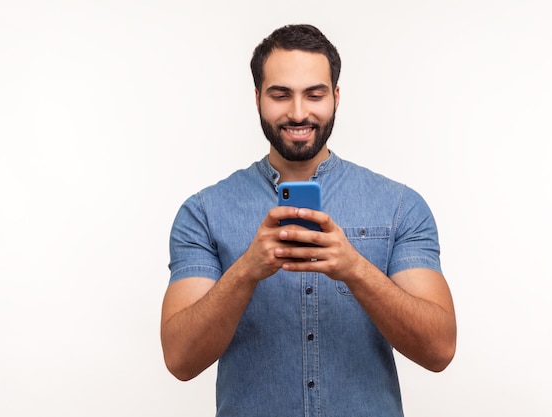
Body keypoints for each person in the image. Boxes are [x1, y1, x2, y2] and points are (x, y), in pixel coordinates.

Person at [161, 24, 456, 416]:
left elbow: (439, 350)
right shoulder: (204, 213)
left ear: (335, 97)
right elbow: (180, 360)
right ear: (257, 99)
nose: (298, 112)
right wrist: (247, 269)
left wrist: (355, 269)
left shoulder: (399, 206)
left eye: (314, 95)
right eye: (280, 95)